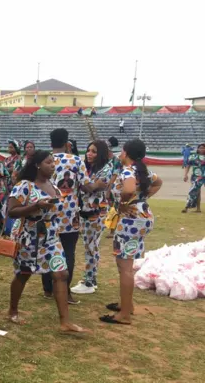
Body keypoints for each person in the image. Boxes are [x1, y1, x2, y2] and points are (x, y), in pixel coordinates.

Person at [6, 150, 88, 334]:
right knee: (23, 274)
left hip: (51, 237)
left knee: (61, 274)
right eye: (48, 162)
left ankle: (65, 322)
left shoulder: (53, 185)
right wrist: (36, 206)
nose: (53, 165)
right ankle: (12, 310)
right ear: (37, 165)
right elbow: (12, 211)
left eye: (53, 163)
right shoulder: (24, 186)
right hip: (29, 237)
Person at [101, 139, 163, 325]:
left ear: (126, 153)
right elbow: (158, 182)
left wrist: (123, 203)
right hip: (142, 217)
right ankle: (127, 305)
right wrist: (142, 198)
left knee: (125, 267)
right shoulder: (142, 170)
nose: (120, 154)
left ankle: (125, 314)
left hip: (130, 221)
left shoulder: (128, 170)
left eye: (122, 151)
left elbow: (127, 189)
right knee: (126, 264)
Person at [42, 128, 89, 304]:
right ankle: (65, 291)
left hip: (48, 212)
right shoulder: (76, 161)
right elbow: (85, 185)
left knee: (48, 249)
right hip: (69, 215)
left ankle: (48, 289)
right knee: (68, 252)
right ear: (67, 143)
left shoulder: (44, 160)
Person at [71, 141, 113, 294]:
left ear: (100, 153)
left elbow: (93, 187)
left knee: (91, 246)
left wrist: (78, 182)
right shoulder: (87, 168)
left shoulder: (106, 169)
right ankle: (91, 279)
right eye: (88, 150)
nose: (89, 153)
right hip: (85, 212)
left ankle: (89, 281)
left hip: (96, 213)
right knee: (90, 245)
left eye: (94, 151)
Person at [182, 143, 205, 213]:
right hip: (195, 177)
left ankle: (188, 207)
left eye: (203, 148)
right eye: (200, 148)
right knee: (196, 191)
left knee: (194, 191)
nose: (202, 149)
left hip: (203, 176)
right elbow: (188, 166)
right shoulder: (193, 157)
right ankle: (195, 208)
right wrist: (185, 175)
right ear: (198, 149)